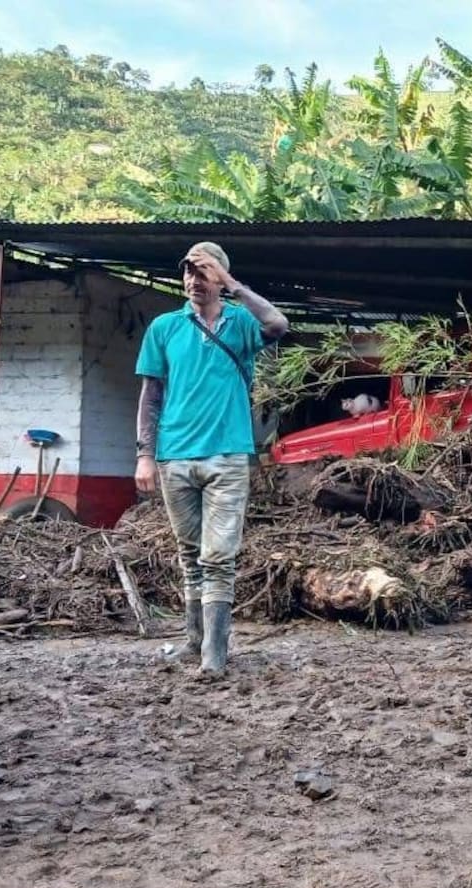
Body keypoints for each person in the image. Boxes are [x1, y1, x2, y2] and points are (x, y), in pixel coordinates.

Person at [135, 242, 288, 676]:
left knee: (218, 556)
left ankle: (214, 655)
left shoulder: (241, 323)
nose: (192, 282)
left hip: (227, 456)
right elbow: (150, 398)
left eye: (202, 274)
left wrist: (235, 286)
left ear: (219, 279)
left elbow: (278, 323)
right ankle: (193, 640)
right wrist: (145, 455)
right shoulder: (165, 327)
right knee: (189, 554)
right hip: (174, 457)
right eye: (187, 273)